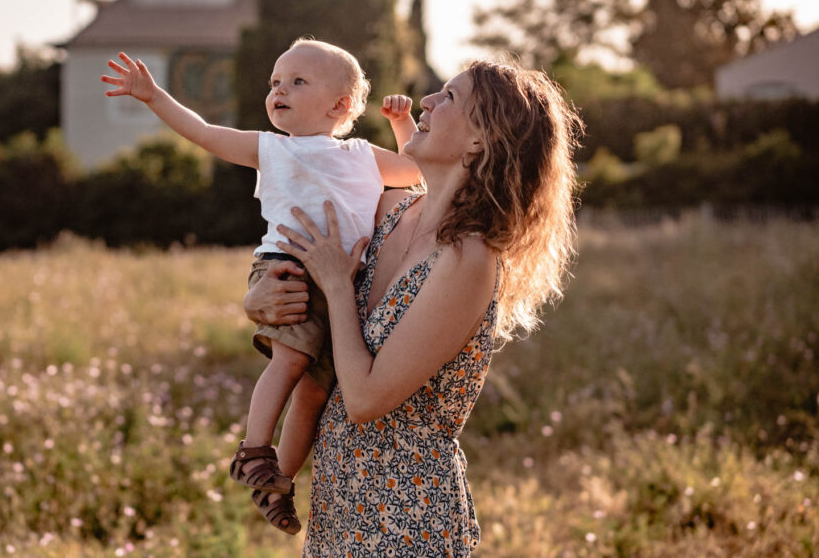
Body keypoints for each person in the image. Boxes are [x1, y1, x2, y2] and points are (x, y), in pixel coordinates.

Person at [243, 60, 583, 555]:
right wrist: (257, 299)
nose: (426, 101)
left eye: (449, 97)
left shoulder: (469, 257)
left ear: (479, 141)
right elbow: (306, 297)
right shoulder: (387, 210)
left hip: (407, 519)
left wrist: (337, 286)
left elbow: (364, 399)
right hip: (338, 507)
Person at [99, 38, 422, 534]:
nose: (278, 91)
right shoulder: (271, 148)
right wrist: (154, 96)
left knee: (315, 391)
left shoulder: (362, 154)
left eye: (297, 81)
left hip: (342, 284)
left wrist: (403, 123)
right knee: (290, 362)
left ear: (339, 105)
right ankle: (253, 451)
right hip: (286, 270)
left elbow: (417, 171)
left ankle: (277, 484)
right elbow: (204, 132)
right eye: (275, 82)